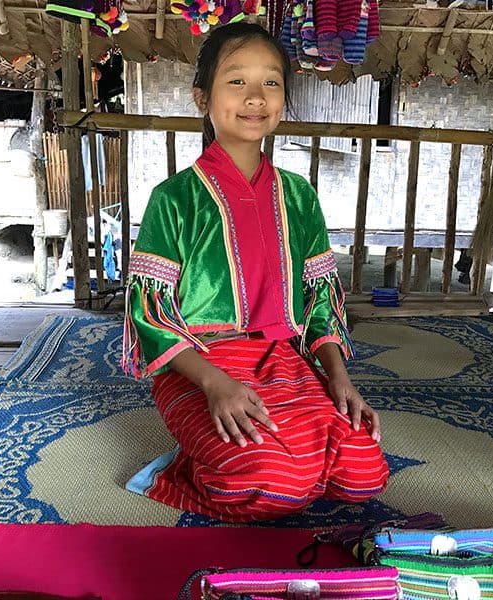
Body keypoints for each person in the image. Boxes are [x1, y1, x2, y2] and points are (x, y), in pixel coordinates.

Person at [122, 22, 389, 522]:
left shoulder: (299, 197)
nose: (255, 97)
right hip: (200, 367)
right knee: (265, 484)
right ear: (202, 98)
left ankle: (277, 449)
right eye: (236, 81)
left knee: (363, 475)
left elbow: (320, 304)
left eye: (271, 82)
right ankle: (176, 472)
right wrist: (214, 384)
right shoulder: (174, 199)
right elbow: (149, 315)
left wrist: (340, 378)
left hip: (282, 361)